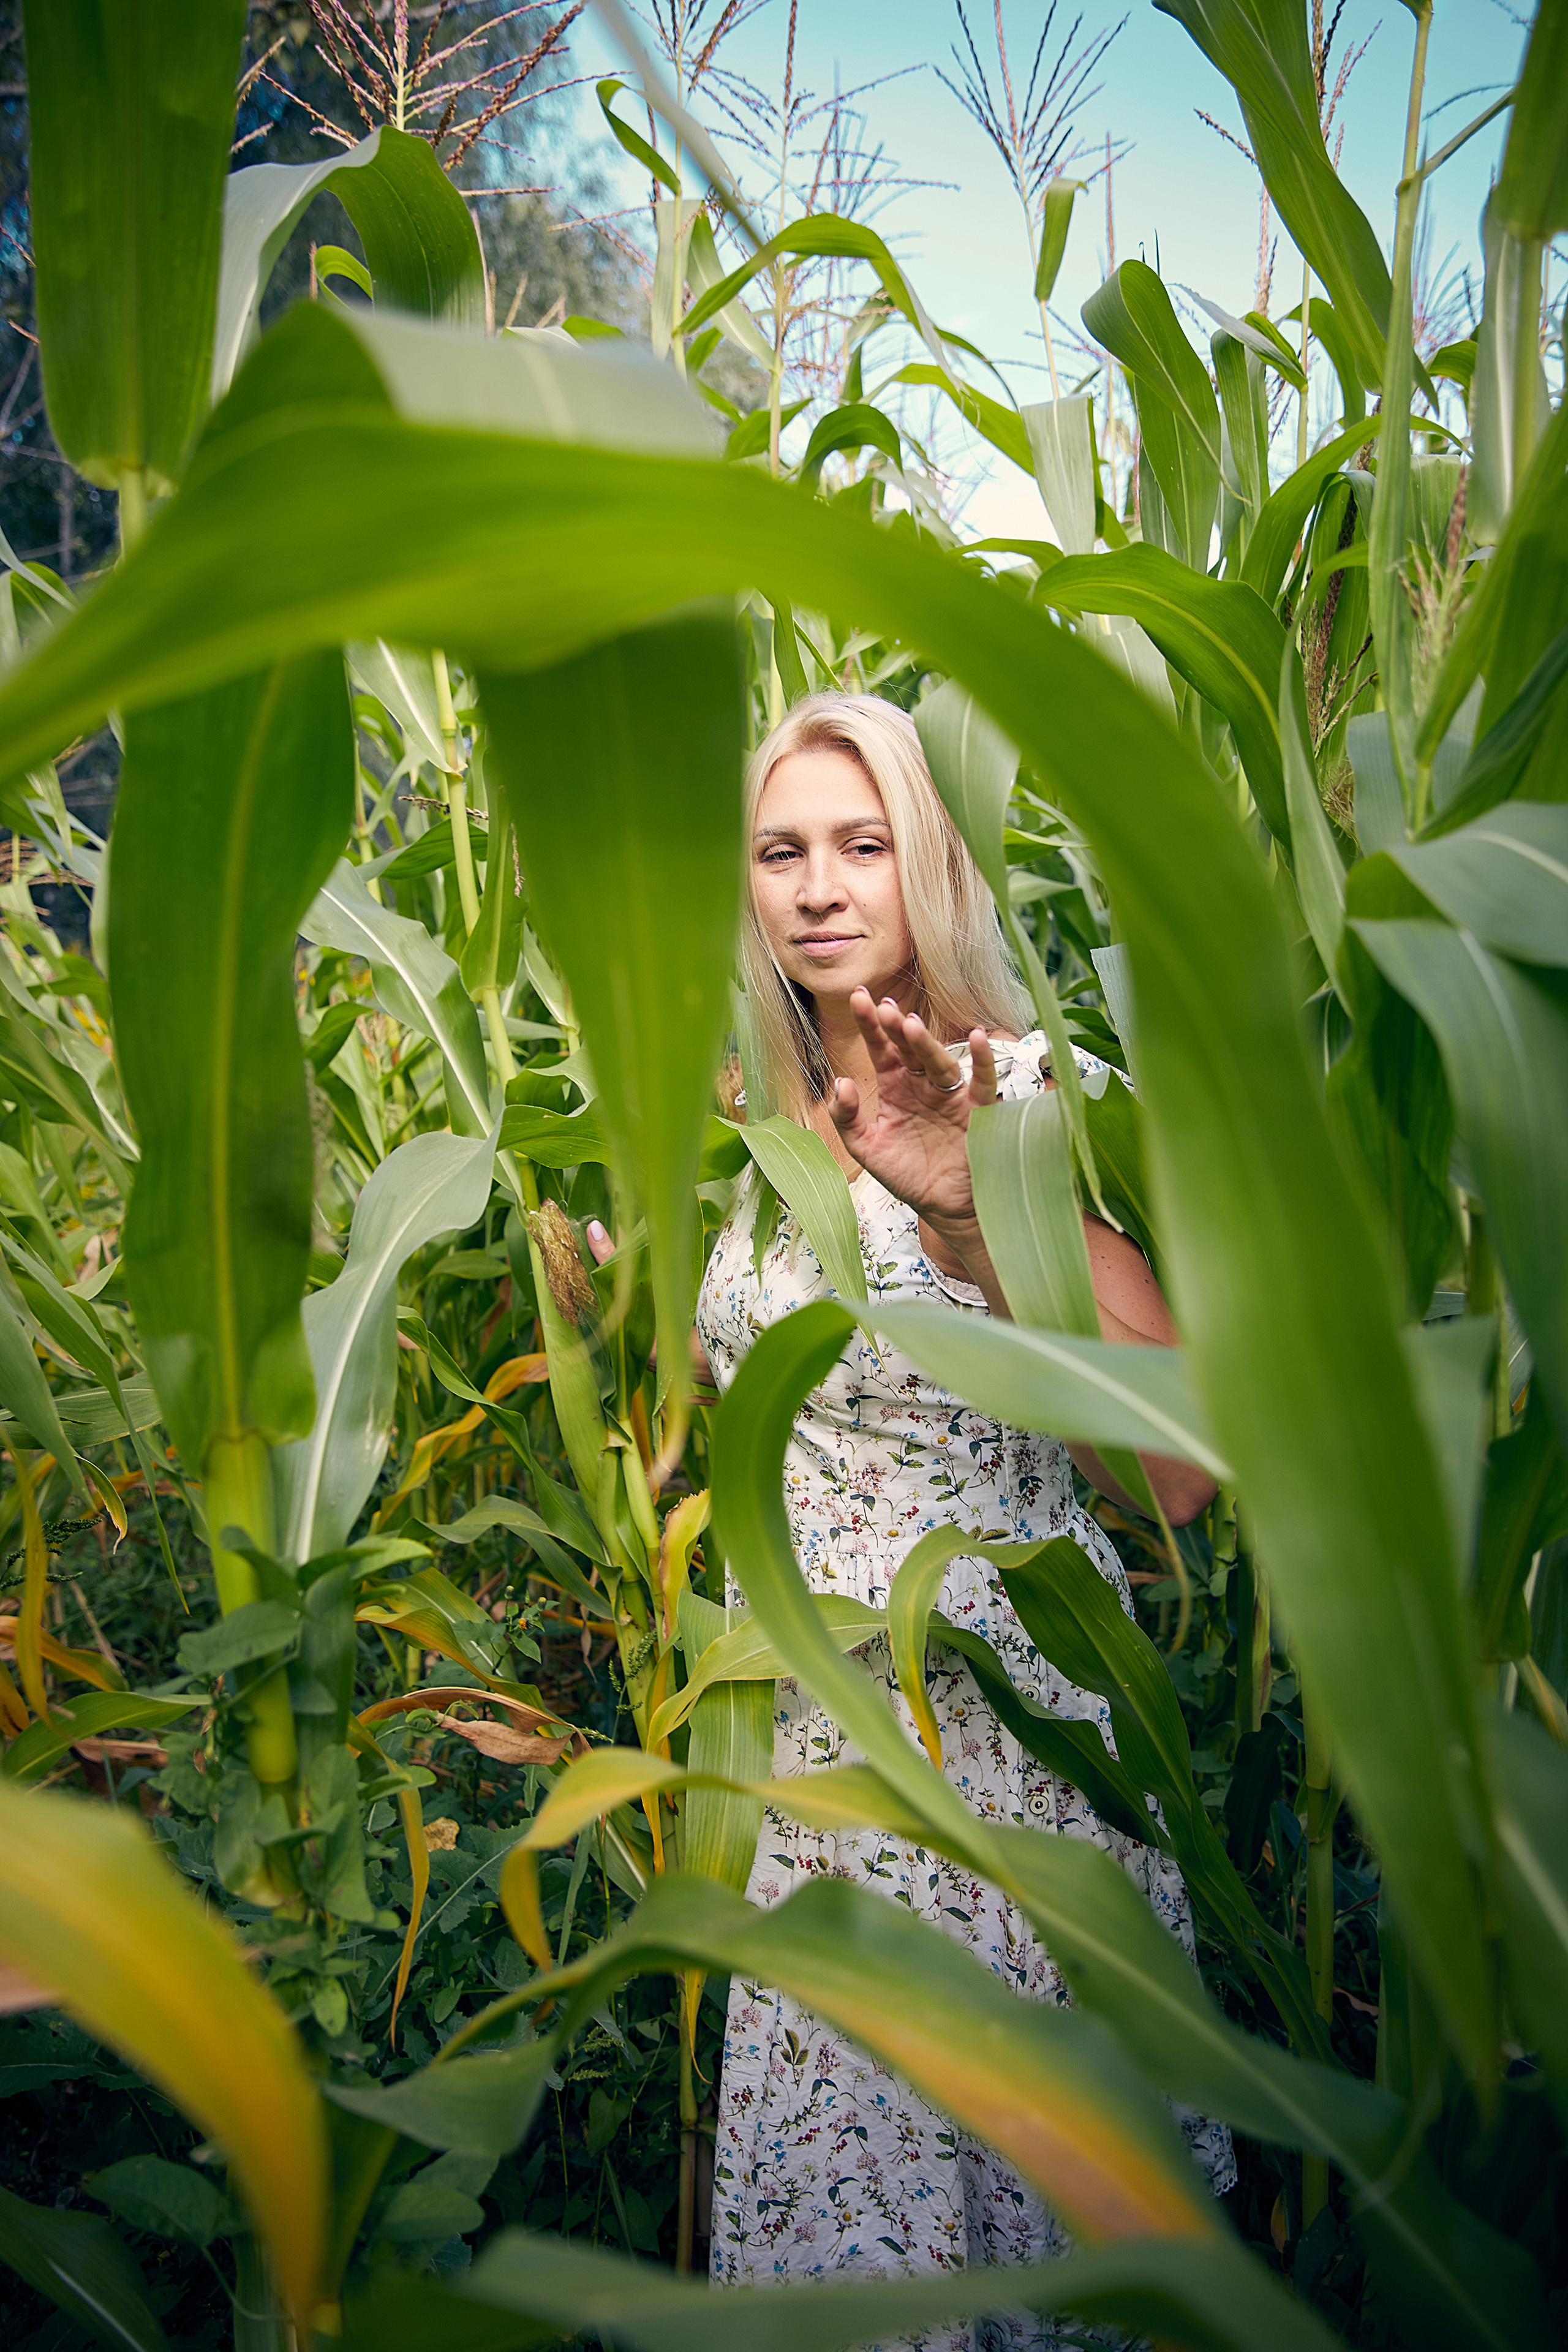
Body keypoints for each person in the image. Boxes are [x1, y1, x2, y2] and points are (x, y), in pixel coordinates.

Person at [600, 690, 1234, 2340]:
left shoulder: (1022, 1091)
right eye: (780, 852)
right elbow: (794, 1404)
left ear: (928, 865)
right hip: (815, 1769)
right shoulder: (762, 1124)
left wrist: (972, 1220)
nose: (818, 888)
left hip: (1005, 1755)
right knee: (857, 2248)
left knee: (1033, 2247)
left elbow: (1174, 1474)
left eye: (862, 845)